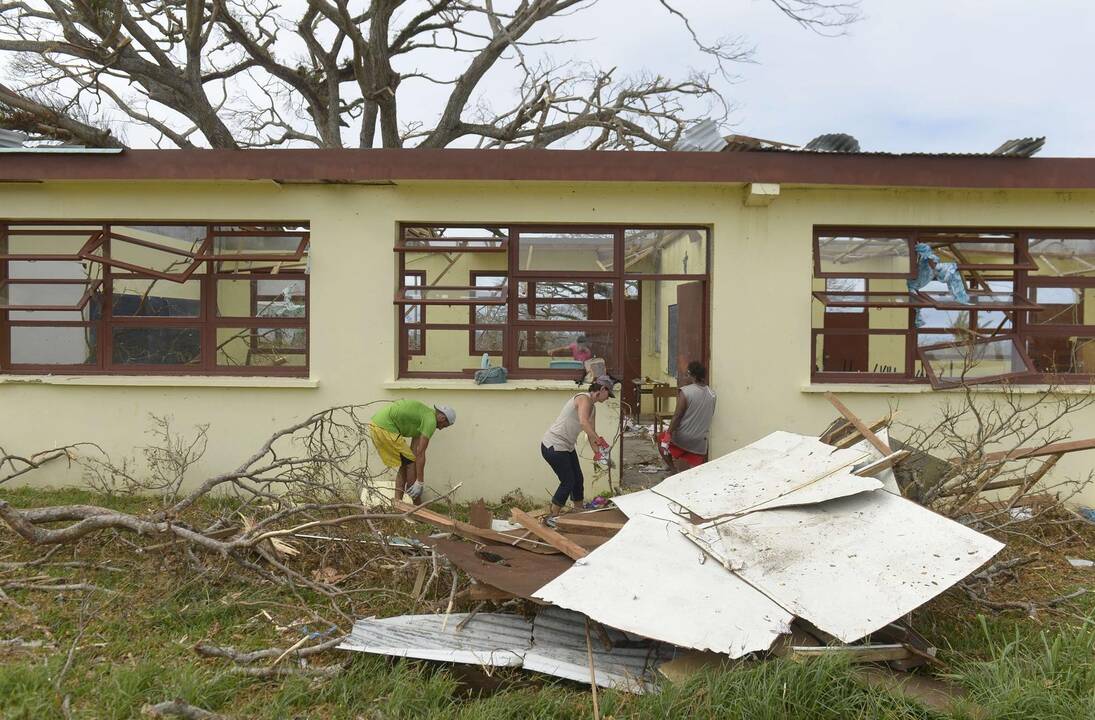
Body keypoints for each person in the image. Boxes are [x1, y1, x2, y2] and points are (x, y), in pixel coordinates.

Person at [541, 375, 615, 521]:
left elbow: (591, 434)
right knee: (568, 481)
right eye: (608, 394)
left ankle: (579, 511)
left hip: (566, 447)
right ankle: (552, 516)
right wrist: (599, 440)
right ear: (602, 389)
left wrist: (600, 455)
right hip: (553, 445)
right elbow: (583, 423)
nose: (608, 398)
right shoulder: (583, 398)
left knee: (578, 479)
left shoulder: (592, 408)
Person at [369, 400, 455, 505]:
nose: (441, 429)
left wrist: (417, 480)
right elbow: (421, 453)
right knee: (409, 463)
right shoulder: (431, 421)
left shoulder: (423, 417)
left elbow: (415, 452)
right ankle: (416, 506)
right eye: (444, 426)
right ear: (442, 418)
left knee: (407, 463)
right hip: (384, 427)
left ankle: (398, 504)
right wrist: (419, 482)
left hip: (378, 425)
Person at [659, 361, 716, 473]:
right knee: (693, 473)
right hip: (700, 441)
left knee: (660, 440)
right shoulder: (712, 394)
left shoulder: (685, 392)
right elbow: (710, 414)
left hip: (682, 438)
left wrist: (668, 433)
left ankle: (673, 470)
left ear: (692, 375)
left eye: (687, 374)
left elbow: (677, 416)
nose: (686, 377)